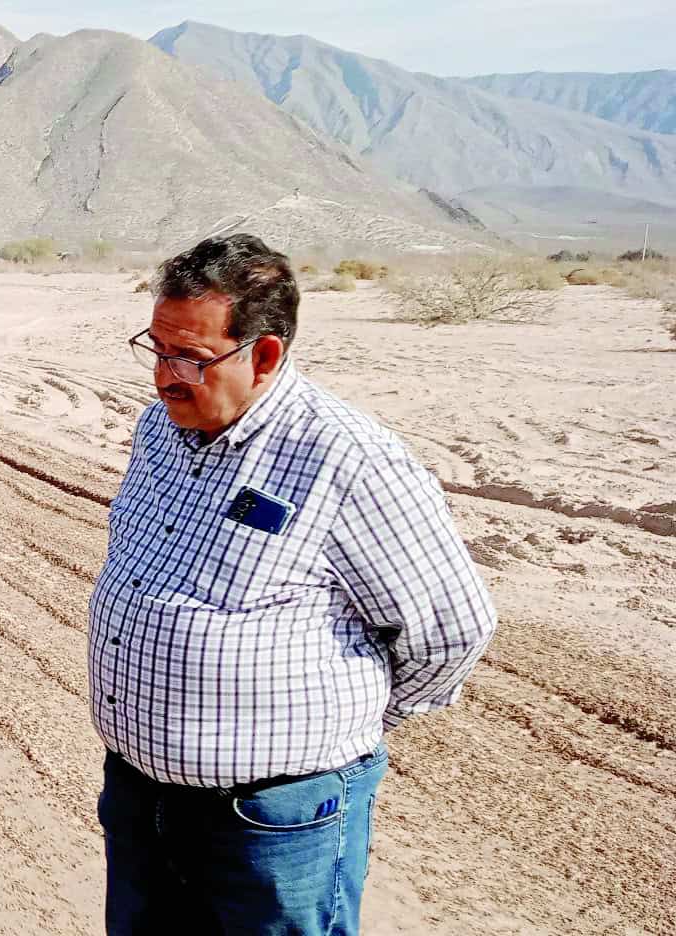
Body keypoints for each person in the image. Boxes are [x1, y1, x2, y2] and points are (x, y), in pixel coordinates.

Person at [91, 234, 498, 935]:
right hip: (140, 799)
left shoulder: (349, 460)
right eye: (156, 349)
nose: (163, 376)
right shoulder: (159, 428)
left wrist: (342, 735)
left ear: (266, 354)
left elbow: (452, 629)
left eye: (190, 355)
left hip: (275, 823)